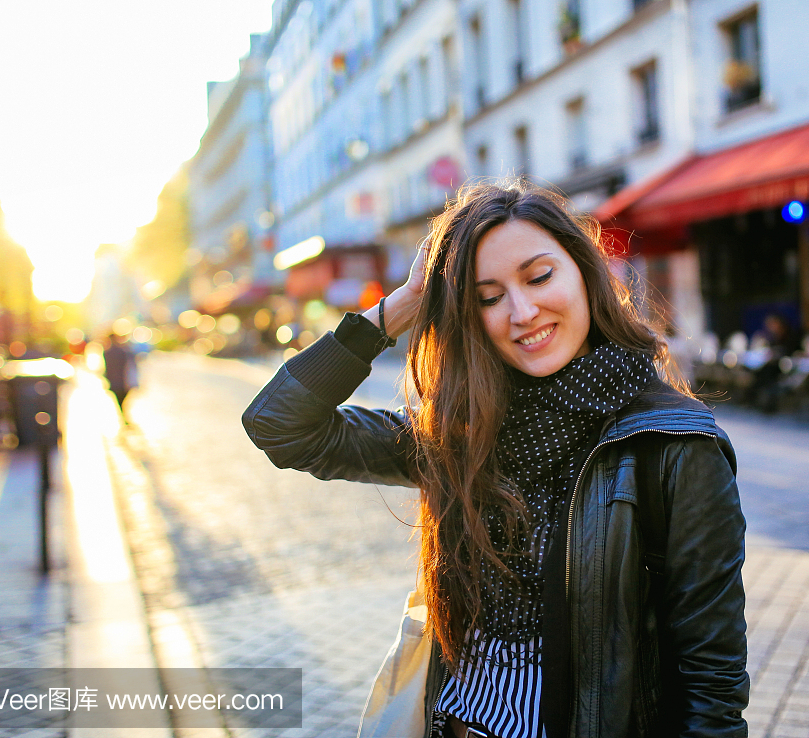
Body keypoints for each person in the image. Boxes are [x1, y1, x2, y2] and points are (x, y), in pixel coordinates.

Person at [243, 183, 748, 737]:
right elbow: (279, 424)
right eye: (488, 297)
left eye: (539, 277)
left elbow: (712, 683)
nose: (523, 311)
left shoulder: (672, 446)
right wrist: (401, 307)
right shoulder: (460, 434)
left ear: (584, 271)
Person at [102, 333, 137, 416]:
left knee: (120, 400)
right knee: (121, 400)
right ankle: (123, 415)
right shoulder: (123, 351)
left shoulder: (108, 352)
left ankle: (123, 415)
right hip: (122, 381)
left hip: (116, 381)